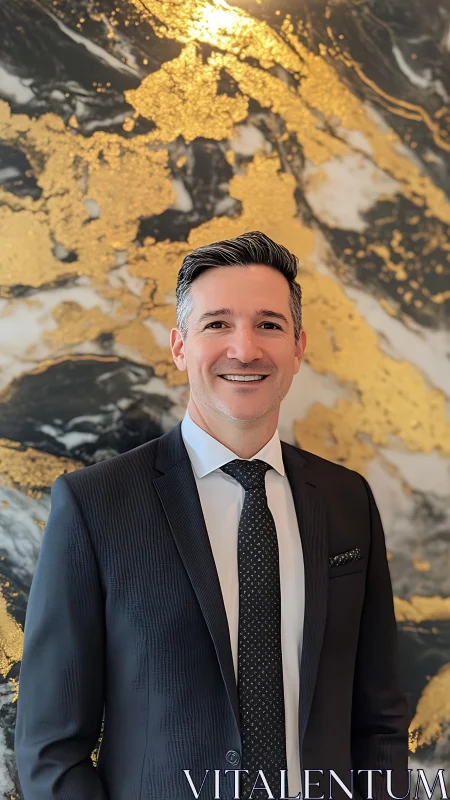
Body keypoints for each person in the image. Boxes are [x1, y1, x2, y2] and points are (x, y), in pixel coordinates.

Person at [14, 231, 410, 800]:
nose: (244, 349)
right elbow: (50, 748)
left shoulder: (347, 499)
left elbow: (381, 720)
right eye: (217, 324)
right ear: (179, 347)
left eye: (269, 325)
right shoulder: (94, 505)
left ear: (298, 348)